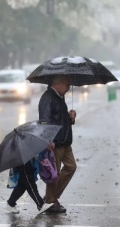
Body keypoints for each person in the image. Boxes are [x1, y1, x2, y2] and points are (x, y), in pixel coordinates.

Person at [38, 75, 77, 213]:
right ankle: (50, 201)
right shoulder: (47, 98)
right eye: (67, 85)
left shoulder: (60, 96)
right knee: (54, 173)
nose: (68, 88)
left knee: (71, 167)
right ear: (58, 83)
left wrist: (70, 117)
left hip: (65, 141)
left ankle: (50, 197)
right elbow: (44, 121)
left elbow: (59, 118)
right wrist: (48, 140)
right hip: (55, 142)